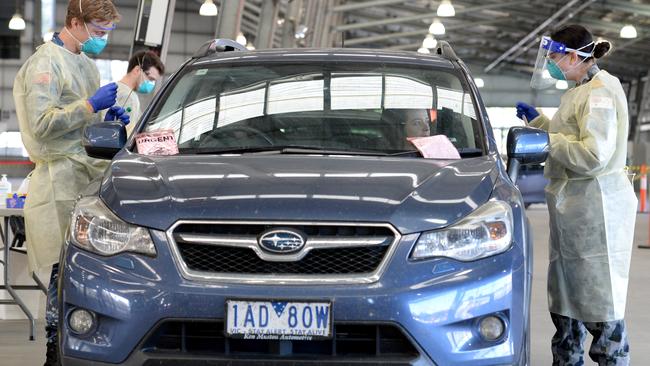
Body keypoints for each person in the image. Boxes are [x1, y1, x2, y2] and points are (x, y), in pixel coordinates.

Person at [12, 1, 127, 364]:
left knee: (91, 271)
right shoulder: (45, 63)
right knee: (63, 273)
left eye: (107, 33)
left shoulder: (86, 65)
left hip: (88, 179)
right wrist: (91, 105)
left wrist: (108, 118)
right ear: (75, 22)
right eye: (97, 31)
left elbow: (79, 125)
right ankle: (53, 349)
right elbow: (43, 124)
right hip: (59, 180)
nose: (101, 39)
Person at [516, 24, 636, 365]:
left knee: (600, 302)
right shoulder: (577, 91)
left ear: (573, 56)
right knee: (566, 300)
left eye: (554, 57)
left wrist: (547, 141)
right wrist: (541, 123)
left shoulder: (601, 91)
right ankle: (566, 359)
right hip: (572, 210)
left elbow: (592, 156)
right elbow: (569, 132)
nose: (551, 64)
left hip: (596, 209)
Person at [113, 50, 165, 136]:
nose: (151, 84)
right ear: (137, 70)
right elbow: (127, 136)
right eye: (151, 79)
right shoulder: (128, 96)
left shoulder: (117, 89)